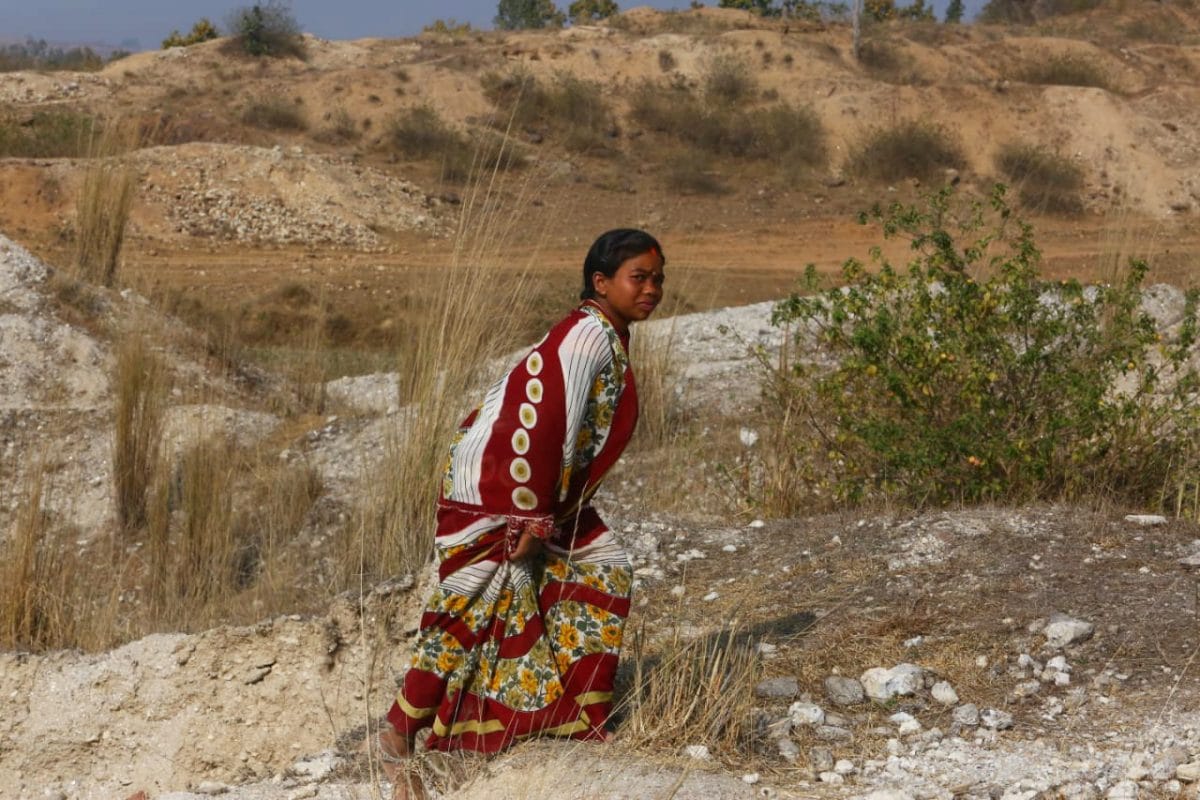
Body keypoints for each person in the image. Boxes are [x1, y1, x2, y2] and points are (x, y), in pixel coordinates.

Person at [375, 229, 666, 798]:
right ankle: (398, 733)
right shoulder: (587, 336)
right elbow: (546, 426)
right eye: (639, 277)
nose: (652, 289)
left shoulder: (605, 332)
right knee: (471, 605)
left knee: (599, 569)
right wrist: (530, 522)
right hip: (502, 488)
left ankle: (565, 714)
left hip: (536, 490)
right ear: (601, 282)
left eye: (658, 279)